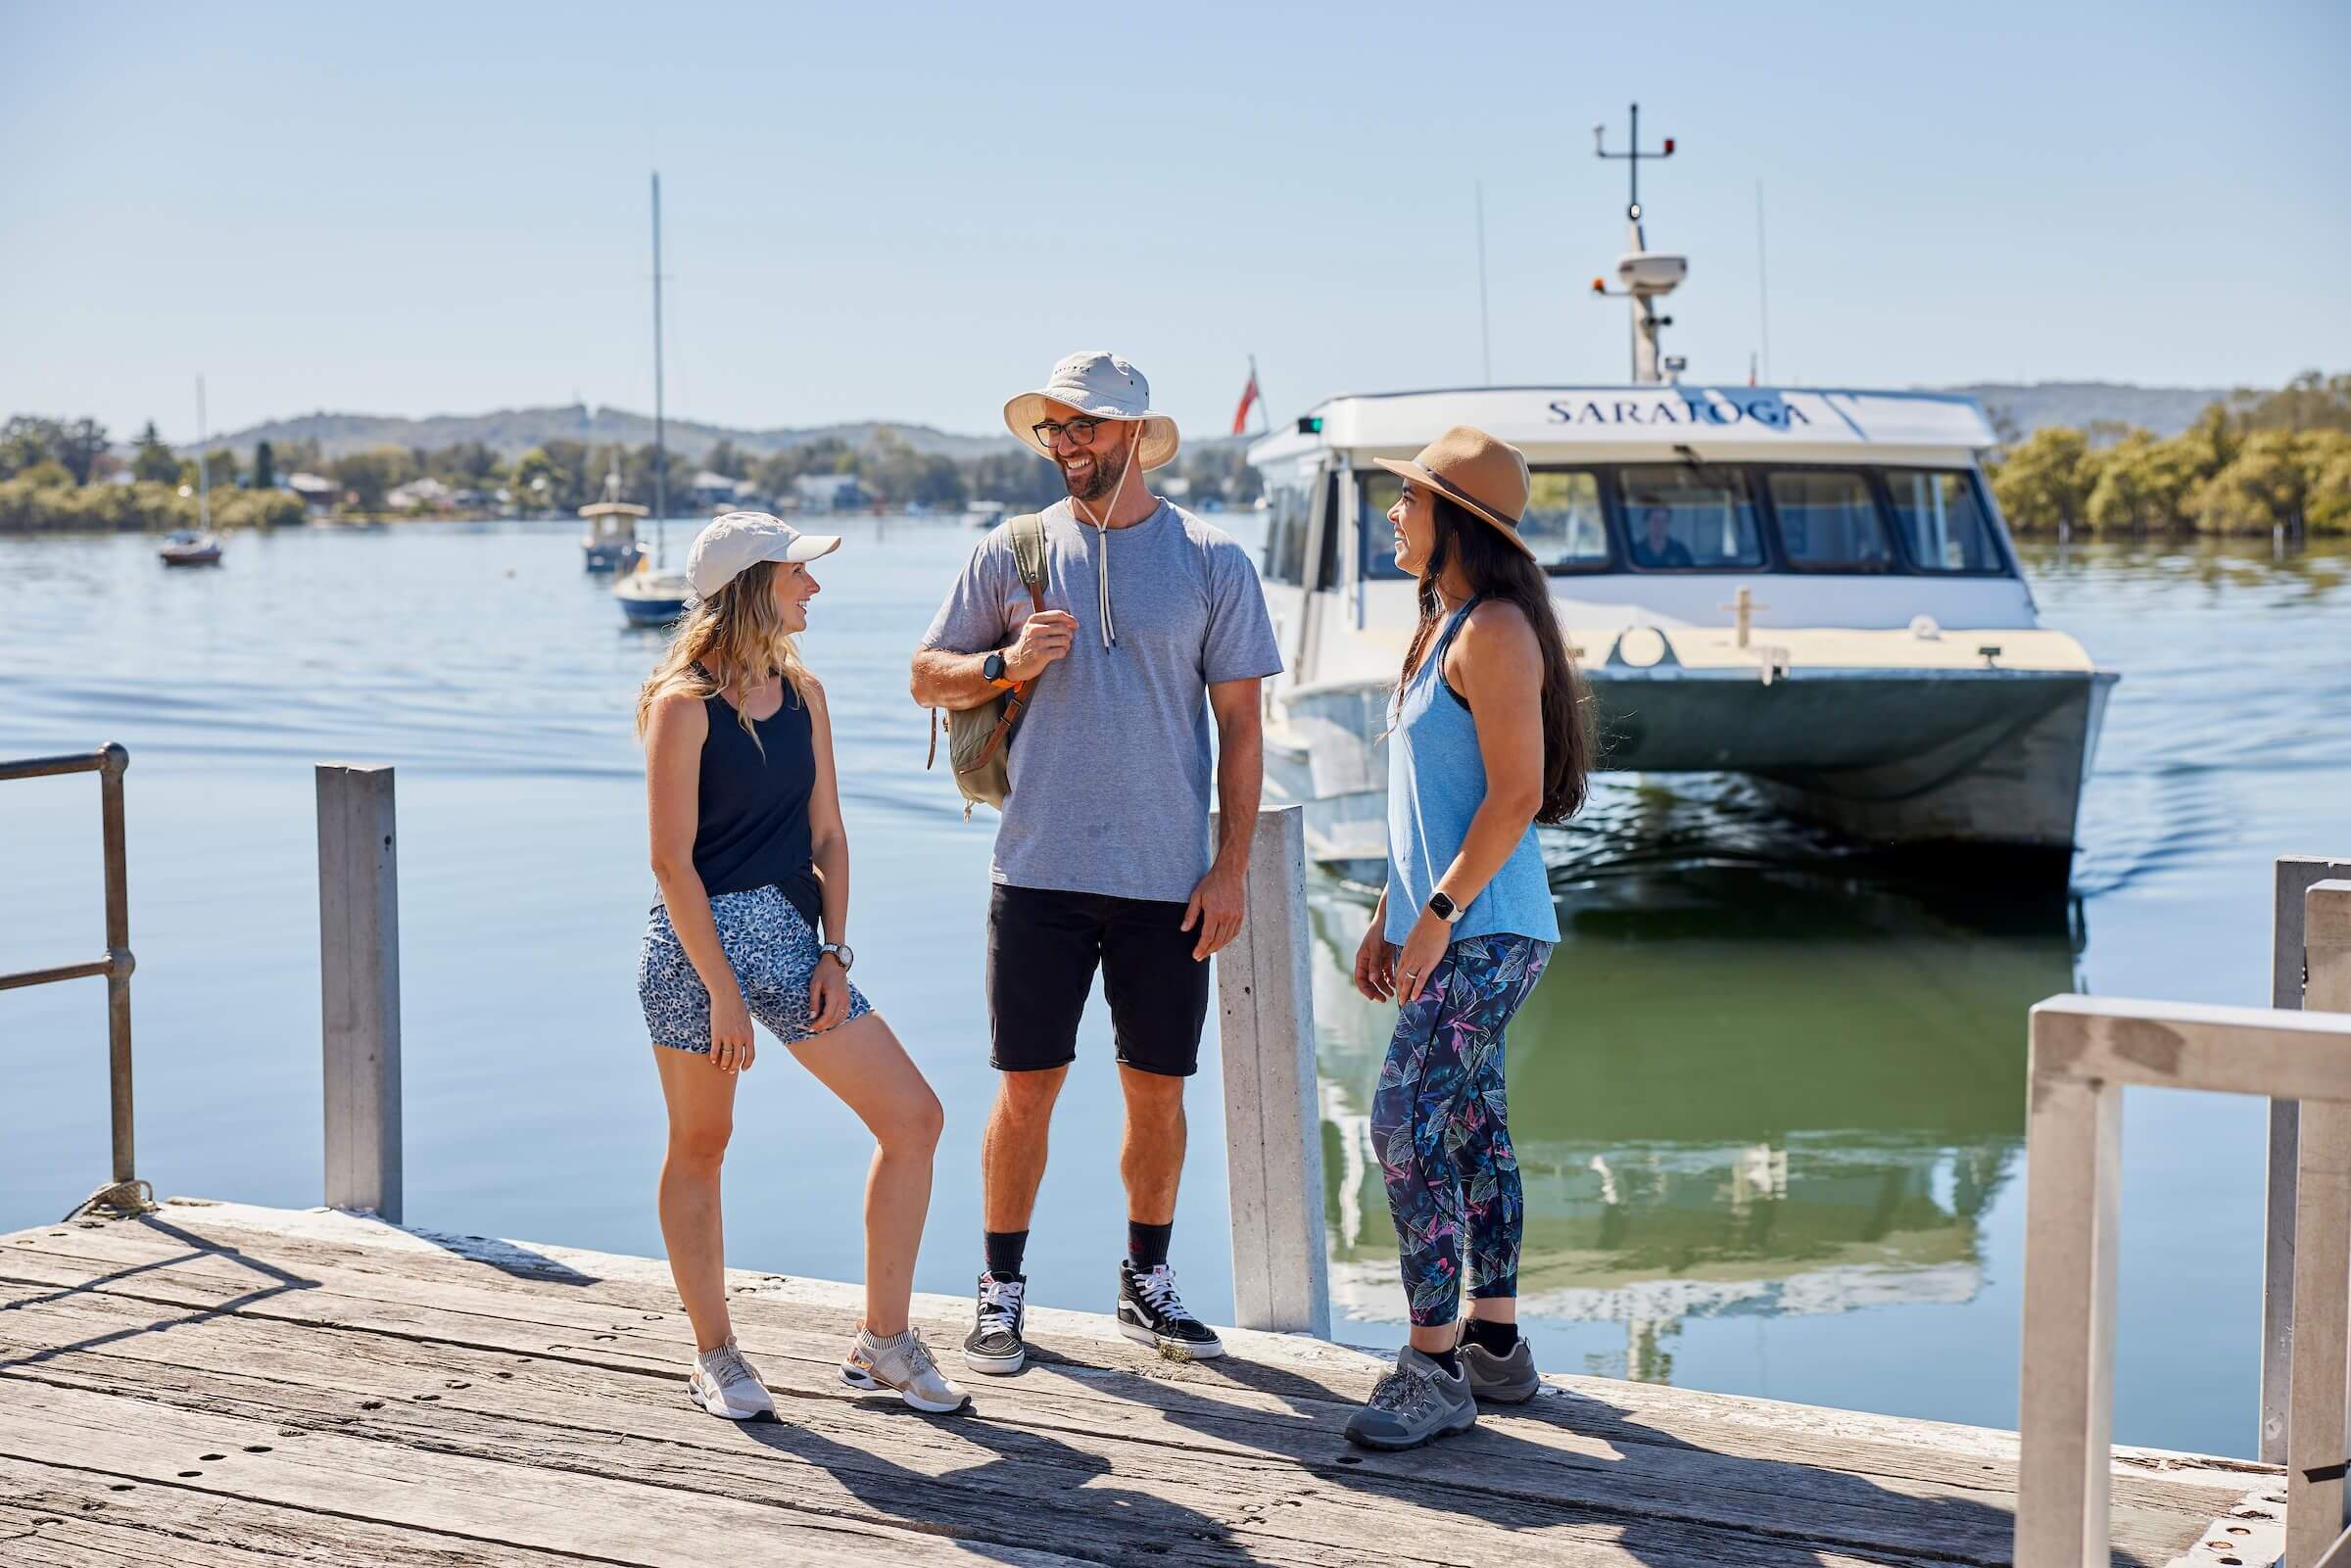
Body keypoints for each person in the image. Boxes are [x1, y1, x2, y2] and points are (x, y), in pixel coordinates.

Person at [910, 351, 1283, 1376]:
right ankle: (998, 1295)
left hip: (1170, 880)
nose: (1068, 446)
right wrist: (1004, 662)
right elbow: (924, 676)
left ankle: (1145, 1284)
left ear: (1134, 432)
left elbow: (1243, 730)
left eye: (1085, 428)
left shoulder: (1214, 560)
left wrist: (1230, 864)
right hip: (1035, 872)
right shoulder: (1012, 551)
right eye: (1055, 431)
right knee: (1025, 1087)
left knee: (1158, 1090)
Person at [638, 511, 964, 1419]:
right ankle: (716, 1353)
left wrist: (833, 947)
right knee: (703, 1145)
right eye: (797, 574)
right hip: (692, 948)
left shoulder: (805, 693)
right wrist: (721, 994)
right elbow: (671, 864)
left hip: (791, 938)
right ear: (752, 587)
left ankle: (883, 1345)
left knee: (914, 1117)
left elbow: (828, 832)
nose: (813, 587)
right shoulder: (683, 706)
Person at [1344, 427, 1592, 1451]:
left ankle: (1434, 1364)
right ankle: (1494, 1346)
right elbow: (1427, 803)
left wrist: (1437, 920)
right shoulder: (1443, 625)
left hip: (1485, 929)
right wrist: (1386, 914)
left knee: (1401, 1124)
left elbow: (1517, 793)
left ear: (1456, 518)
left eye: (1409, 500)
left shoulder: (1495, 629)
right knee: (1471, 1127)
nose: (1394, 515)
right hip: (1458, 924)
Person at [1630, 500, 1695, 568]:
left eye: (1664, 521)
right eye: (1655, 520)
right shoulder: (1635, 551)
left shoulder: (1680, 551)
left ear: (1669, 524)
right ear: (1647, 522)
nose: (1660, 525)